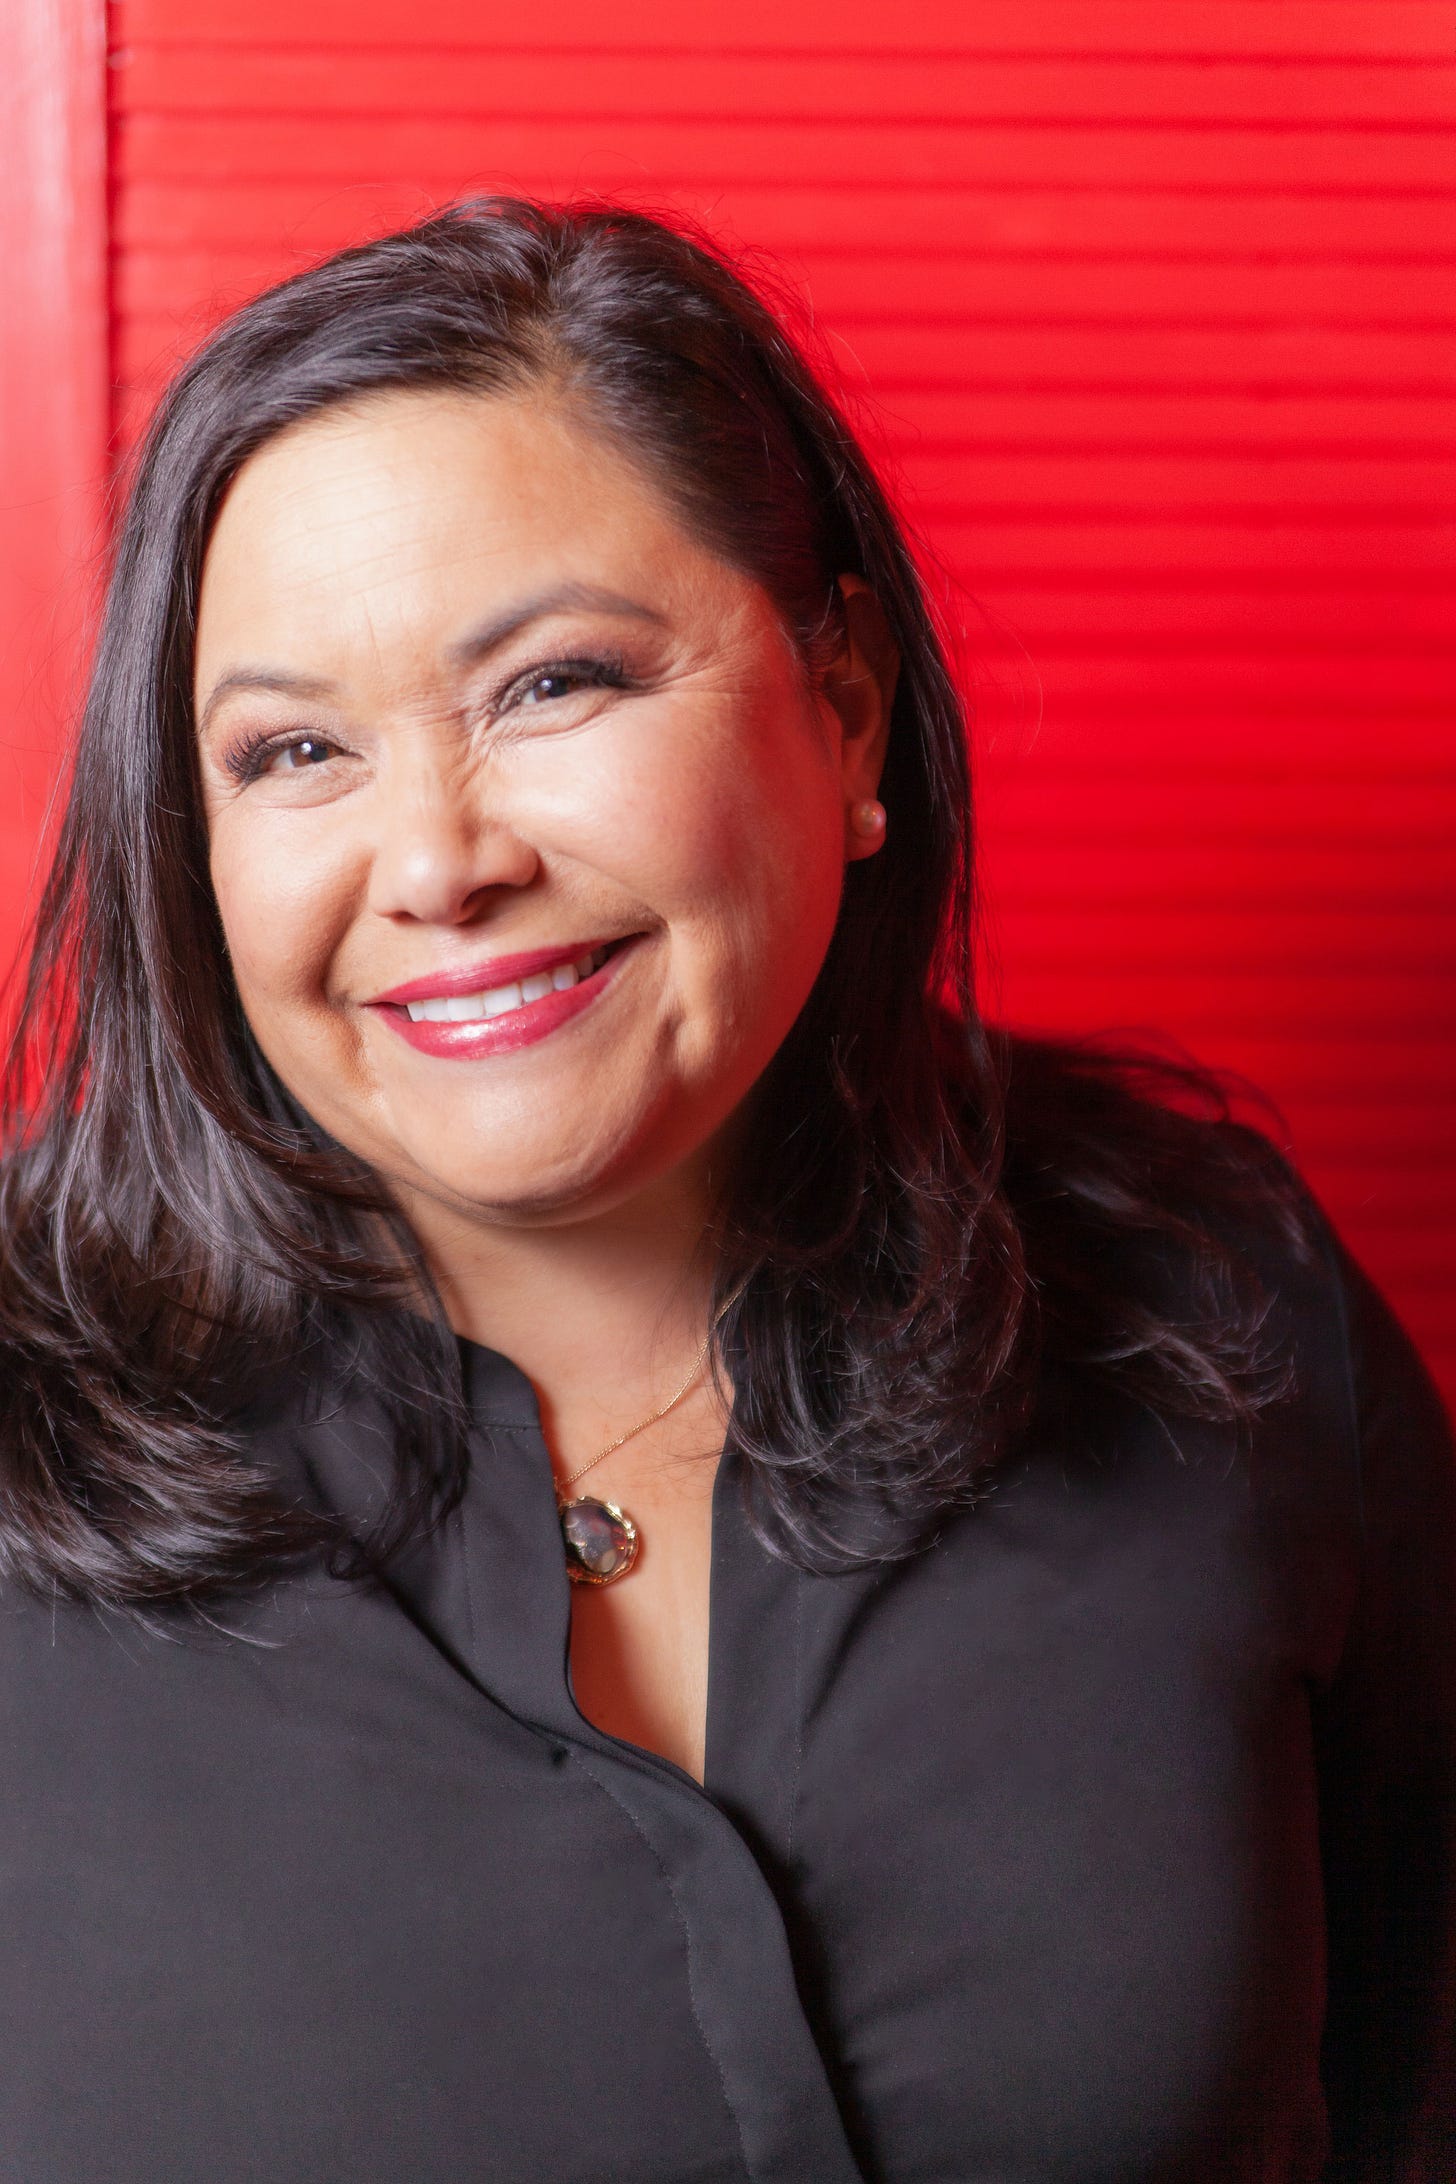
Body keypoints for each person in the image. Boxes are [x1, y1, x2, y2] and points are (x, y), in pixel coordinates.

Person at [0, 196, 1450, 2184]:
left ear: (838, 704)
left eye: (552, 685)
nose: (434, 862)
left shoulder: (1214, 1296)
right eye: (295, 750)